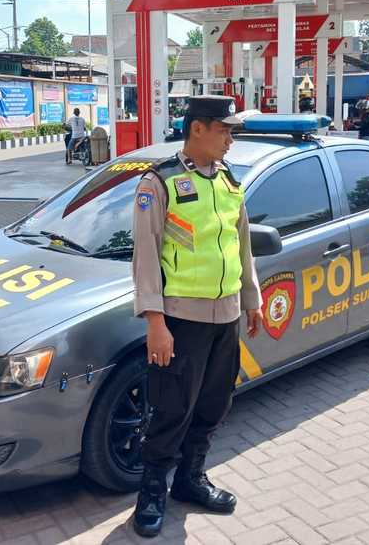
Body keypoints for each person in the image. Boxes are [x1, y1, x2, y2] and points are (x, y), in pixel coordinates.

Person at [130, 95, 263, 538]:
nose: (230, 139)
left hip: (226, 316)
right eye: (224, 130)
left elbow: (241, 244)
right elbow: (145, 256)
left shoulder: (227, 180)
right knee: (171, 408)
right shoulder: (160, 182)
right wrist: (155, 322)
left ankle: (189, 479)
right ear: (197, 128)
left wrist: (252, 299)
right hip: (181, 320)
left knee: (213, 404)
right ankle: (152, 492)